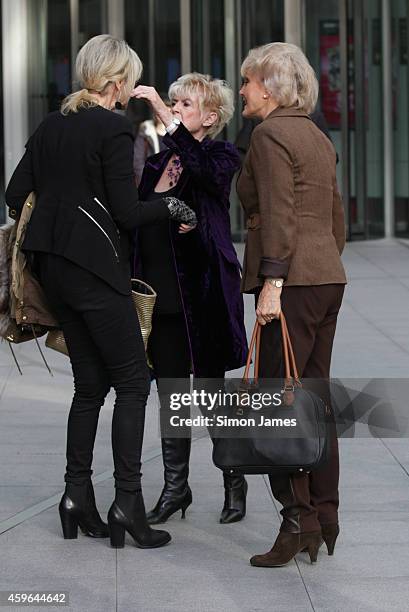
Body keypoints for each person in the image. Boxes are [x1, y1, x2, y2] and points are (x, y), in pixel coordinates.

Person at [5, 34, 196, 550]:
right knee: (134, 382)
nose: (132, 89)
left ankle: (76, 497)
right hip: (93, 271)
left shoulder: (52, 125)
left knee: (90, 386)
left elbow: (13, 194)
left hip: (53, 272)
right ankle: (127, 504)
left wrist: (64, 206)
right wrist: (174, 207)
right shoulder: (113, 127)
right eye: (130, 80)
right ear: (115, 82)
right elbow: (129, 214)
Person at [237, 42, 346, 567]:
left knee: (281, 404)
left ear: (270, 87)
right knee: (316, 399)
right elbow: (335, 217)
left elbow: (278, 212)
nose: (241, 91)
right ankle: (325, 515)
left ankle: (297, 521)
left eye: (247, 81)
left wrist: (273, 282)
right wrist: (318, 262)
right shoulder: (316, 136)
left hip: (293, 283)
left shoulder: (270, 134)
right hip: (326, 279)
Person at [131, 73, 248, 525]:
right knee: (172, 398)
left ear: (210, 117)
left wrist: (162, 115)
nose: (175, 108)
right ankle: (176, 488)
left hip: (203, 296)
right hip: (160, 296)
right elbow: (140, 216)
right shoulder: (161, 164)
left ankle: (233, 481)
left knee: (211, 396)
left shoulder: (220, 154)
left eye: (185, 103)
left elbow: (205, 177)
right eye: (173, 102)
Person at [133, 100, 170, 185]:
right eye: (159, 111)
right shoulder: (146, 130)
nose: (162, 115)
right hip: (148, 183)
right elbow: (137, 161)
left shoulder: (176, 135)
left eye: (166, 111)